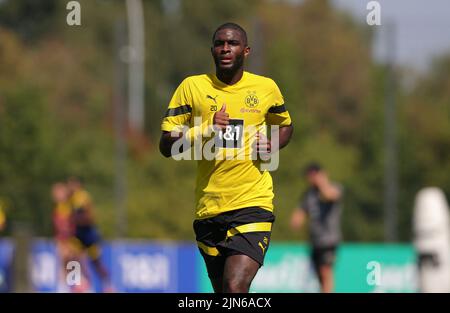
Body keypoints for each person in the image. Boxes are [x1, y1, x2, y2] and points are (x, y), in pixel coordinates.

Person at [159, 22, 293, 293]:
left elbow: (286, 124)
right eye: (219, 43)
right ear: (212, 51)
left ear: (246, 50)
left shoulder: (265, 88)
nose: (225, 48)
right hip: (209, 208)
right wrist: (207, 129)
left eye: (232, 43)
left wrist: (272, 145)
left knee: (235, 287)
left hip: (252, 203)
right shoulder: (192, 87)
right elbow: (166, 145)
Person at [290, 163, 343, 293]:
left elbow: (330, 195)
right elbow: (300, 213)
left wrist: (322, 182)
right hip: (315, 241)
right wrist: (297, 219)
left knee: (326, 272)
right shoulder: (309, 194)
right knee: (320, 275)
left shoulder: (333, 187)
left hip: (329, 240)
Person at [67, 177, 112, 292]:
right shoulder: (71, 199)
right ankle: (76, 285)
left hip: (88, 234)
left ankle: (108, 285)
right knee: (73, 258)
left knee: (95, 261)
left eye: (72, 183)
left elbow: (87, 216)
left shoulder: (82, 196)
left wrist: (74, 218)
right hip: (78, 234)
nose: (70, 186)